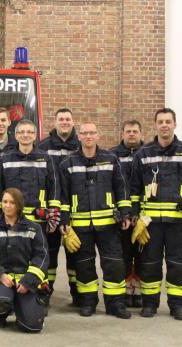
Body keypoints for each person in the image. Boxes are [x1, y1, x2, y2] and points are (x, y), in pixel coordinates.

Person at [130, 108, 182, 320]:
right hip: (151, 223)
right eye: (161, 121)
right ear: (155, 125)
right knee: (149, 263)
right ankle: (150, 304)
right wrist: (135, 214)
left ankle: (177, 305)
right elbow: (134, 187)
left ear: (175, 124)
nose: (164, 125)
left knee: (178, 263)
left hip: (178, 222)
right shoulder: (143, 154)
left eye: (168, 121)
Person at [59, 122, 131, 319]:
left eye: (92, 133)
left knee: (114, 264)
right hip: (81, 226)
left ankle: (116, 304)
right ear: (79, 137)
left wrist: (125, 212)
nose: (88, 136)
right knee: (84, 266)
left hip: (108, 224)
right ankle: (88, 301)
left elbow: (121, 188)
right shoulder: (68, 163)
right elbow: (63, 195)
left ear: (98, 136)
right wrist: (64, 220)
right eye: (84, 133)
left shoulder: (111, 159)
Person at [0, 119, 60, 313]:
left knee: (44, 259)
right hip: (10, 221)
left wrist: (54, 216)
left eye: (30, 132)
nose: (26, 135)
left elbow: (54, 189)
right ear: (16, 135)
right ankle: (8, 294)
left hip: (39, 222)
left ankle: (42, 294)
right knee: (12, 257)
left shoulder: (46, 159)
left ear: (35, 135)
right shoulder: (6, 159)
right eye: (22, 132)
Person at [0, 188, 48, 332]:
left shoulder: (34, 228)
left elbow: (42, 256)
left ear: (19, 205)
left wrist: (28, 281)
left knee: (33, 326)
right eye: (4, 202)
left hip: (26, 282)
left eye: (12, 202)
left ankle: (24, 309)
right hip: (2, 280)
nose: (7, 206)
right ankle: (1, 314)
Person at [37, 108, 81, 305]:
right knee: (50, 253)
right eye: (61, 119)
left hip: (77, 208)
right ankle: (46, 292)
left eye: (68, 119)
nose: (64, 122)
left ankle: (78, 294)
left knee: (77, 255)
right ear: (54, 123)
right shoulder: (43, 147)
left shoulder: (81, 146)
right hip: (51, 209)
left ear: (73, 122)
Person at [109, 120, 144, 308]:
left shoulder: (148, 153)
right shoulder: (112, 155)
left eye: (135, 131)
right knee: (123, 255)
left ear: (140, 133)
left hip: (142, 216)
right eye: (128, 131)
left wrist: (139, 213)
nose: (132, 134)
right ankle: (123, 290)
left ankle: (137, 290)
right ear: (122, 133)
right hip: (121, 216)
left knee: (141, 255)